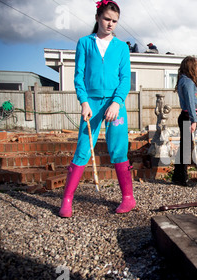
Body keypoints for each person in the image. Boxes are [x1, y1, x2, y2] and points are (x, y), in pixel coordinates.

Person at [59, 0, 135, 218]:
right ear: (97, 18)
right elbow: (78, 76)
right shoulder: (84, 43)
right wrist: (83, 102)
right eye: (106, 19)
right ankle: (67, 199)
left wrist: (116, 102)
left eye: (114, 21)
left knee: (119, 148)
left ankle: (128, 198)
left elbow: (124, 78)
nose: (110, 24)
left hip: (115, 104)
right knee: (83, 149)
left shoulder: (121, 47)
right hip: (90, 103)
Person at [172, 56, 197, 186]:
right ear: (191, 67)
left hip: (188, 117)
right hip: (188, 118)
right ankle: (183, 179)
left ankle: (177, 177)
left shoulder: (185, 80)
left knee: (184, 147)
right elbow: (190, 102)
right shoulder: (187, 81)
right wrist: (193, 120)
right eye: (196, 67)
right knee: (186, 149)